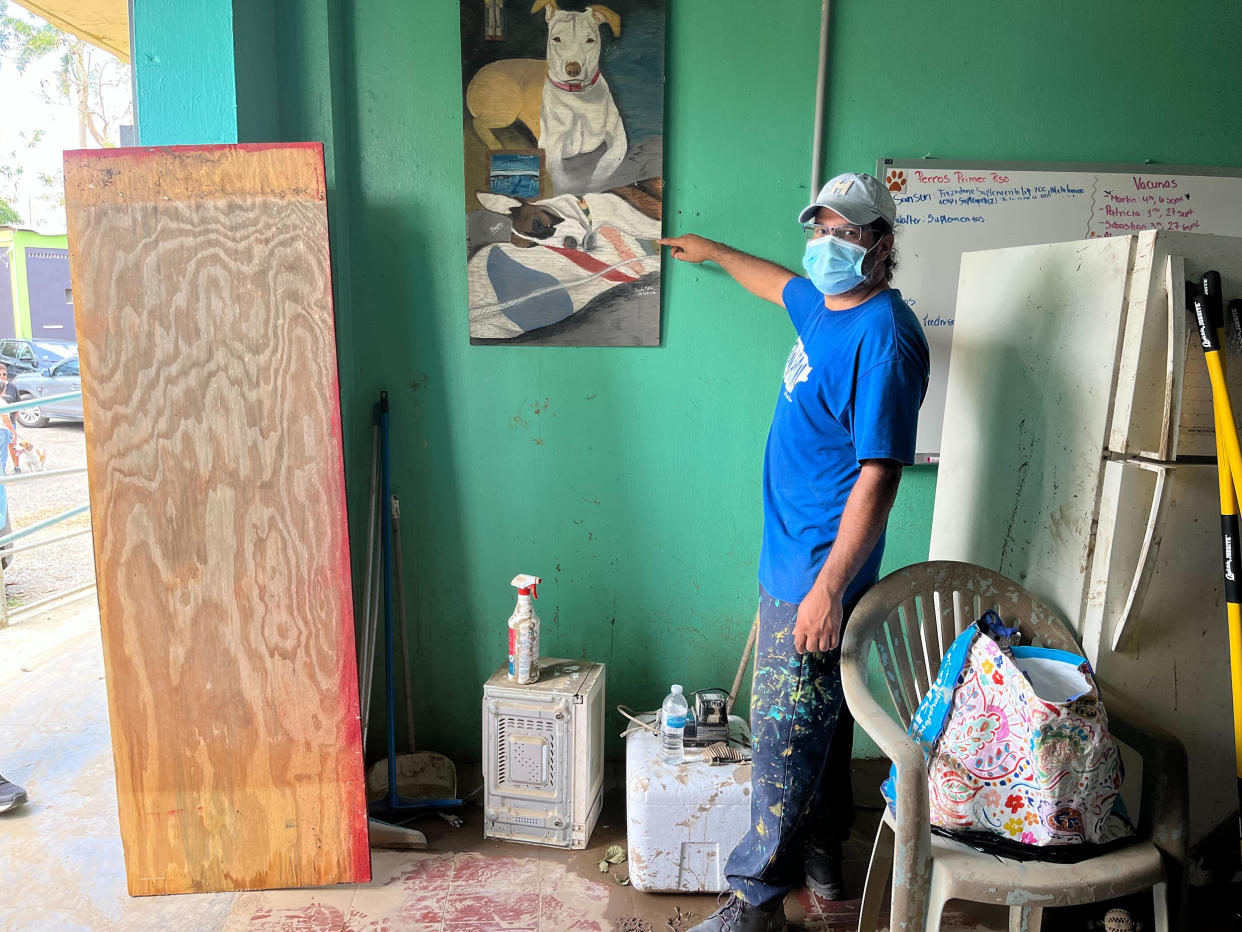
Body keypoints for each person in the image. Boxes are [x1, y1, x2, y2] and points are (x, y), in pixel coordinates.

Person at [658, 171, 930, 932]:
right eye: (820, 230)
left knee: (780, 746)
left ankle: (753, 907)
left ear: (881, 243)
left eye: (847, 232)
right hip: (793, 565)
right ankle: (821, 863)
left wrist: (827, 589)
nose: (827, 246)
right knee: (821, 728)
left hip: (814, 576)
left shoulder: (883, 339)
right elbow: (778, 284)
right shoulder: (826, 308)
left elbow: (880, 477)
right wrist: (711, 250)